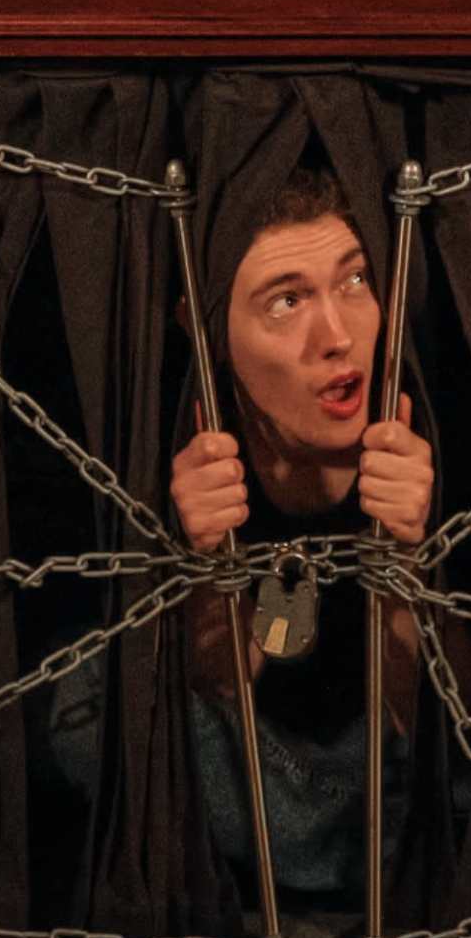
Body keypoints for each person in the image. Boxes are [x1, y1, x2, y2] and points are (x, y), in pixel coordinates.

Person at [161, 167, 437, 896]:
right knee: (85, 713)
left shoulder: (440, 414)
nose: (338, 336)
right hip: (266, 766)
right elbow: (215, 691)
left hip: (392, 762)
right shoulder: (179, 438)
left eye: (354, 281)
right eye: (287, 301)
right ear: (206, 329)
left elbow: (465, 715)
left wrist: (405, 566)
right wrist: (208, 563)